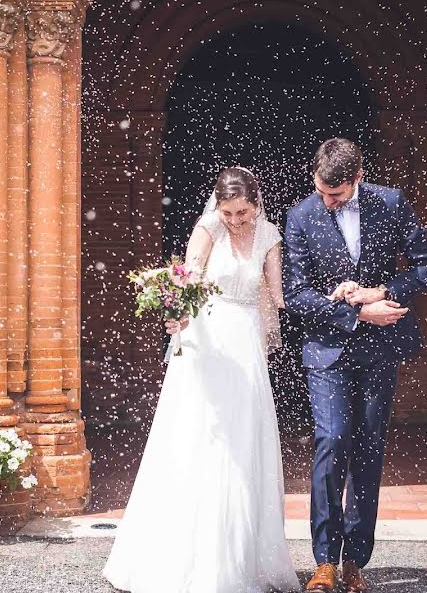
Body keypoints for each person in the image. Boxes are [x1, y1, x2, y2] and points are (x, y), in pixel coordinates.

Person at [103, 167, 299, 592]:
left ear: (256, 202)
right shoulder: (208, 227)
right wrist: (174, 309)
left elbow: (279, 296)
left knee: (243, 442)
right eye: (228, 212)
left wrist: (332, 296)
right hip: (205, 343)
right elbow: (186, 280)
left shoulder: (269, 236)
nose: (235, 220)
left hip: (245, 345)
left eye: (242, 212)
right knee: (200, 437)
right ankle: (180, 556)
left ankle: (240, 560)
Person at [284, 138, 427, 592]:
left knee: (368, 452)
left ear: (357, 178)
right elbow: (295, 295)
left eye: (337, 195)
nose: (328, 202)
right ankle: (323, 562)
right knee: (331, 442)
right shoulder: (300, 215)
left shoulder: (390, 203)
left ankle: (355, 561)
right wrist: (354, 312)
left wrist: (380, 290)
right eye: (322, 192)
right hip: (327, 351)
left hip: (379, 351)